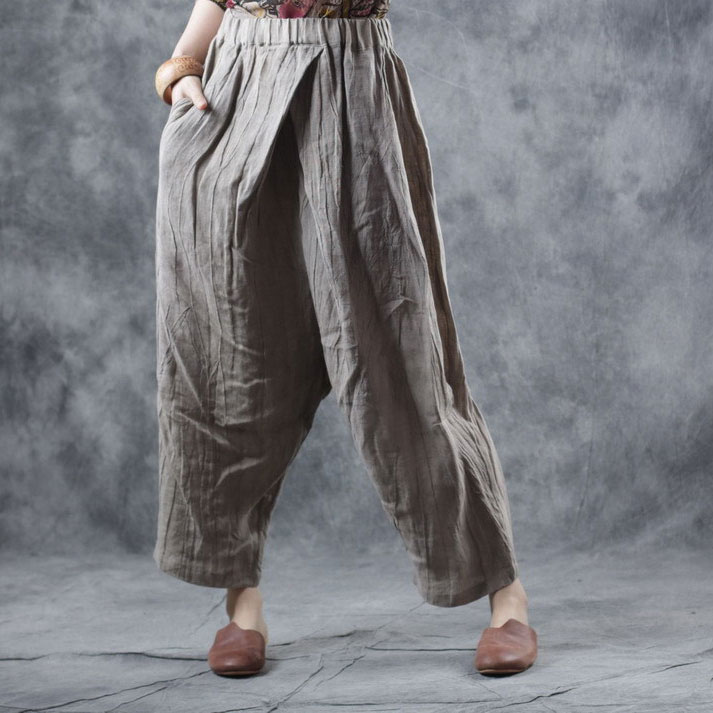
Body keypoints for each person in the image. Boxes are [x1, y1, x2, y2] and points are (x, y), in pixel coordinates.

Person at [153, 0, 538, 678]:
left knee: (404, 359)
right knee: (231, 355)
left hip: (352, 79)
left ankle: (507, 596)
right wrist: (183, 67)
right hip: (233, 96)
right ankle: (241, 604)